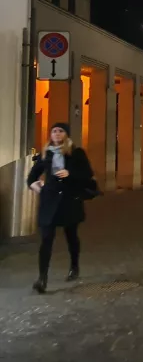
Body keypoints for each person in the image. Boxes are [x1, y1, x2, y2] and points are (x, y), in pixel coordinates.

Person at [26, 123, 95, 293]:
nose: (56, 134)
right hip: (49, 200)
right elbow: (32, 176)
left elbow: (87, 173)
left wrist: (70, 174)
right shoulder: (46, 153)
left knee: (71, 235)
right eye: (54, 131)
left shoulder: (76, 153)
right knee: (46, 239)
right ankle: (42, 278)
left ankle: (74, 266)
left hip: (69, 199)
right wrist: (34, 186)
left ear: (67, 135)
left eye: (60, 131)